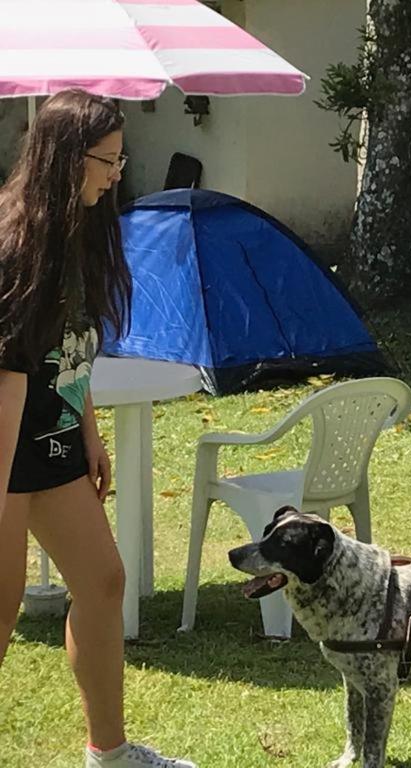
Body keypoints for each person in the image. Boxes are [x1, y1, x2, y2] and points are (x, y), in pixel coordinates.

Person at [0, 90, 196, 768]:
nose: (117, 173)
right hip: (3, 448)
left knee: (104, 581)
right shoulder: (13, 245)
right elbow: (9, 372)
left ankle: (109, 755)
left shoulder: (79, 231)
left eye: (121, 157)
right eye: (106, 159)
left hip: (49, 441)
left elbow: (70, 348)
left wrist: (86, 431)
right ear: (64, 158)